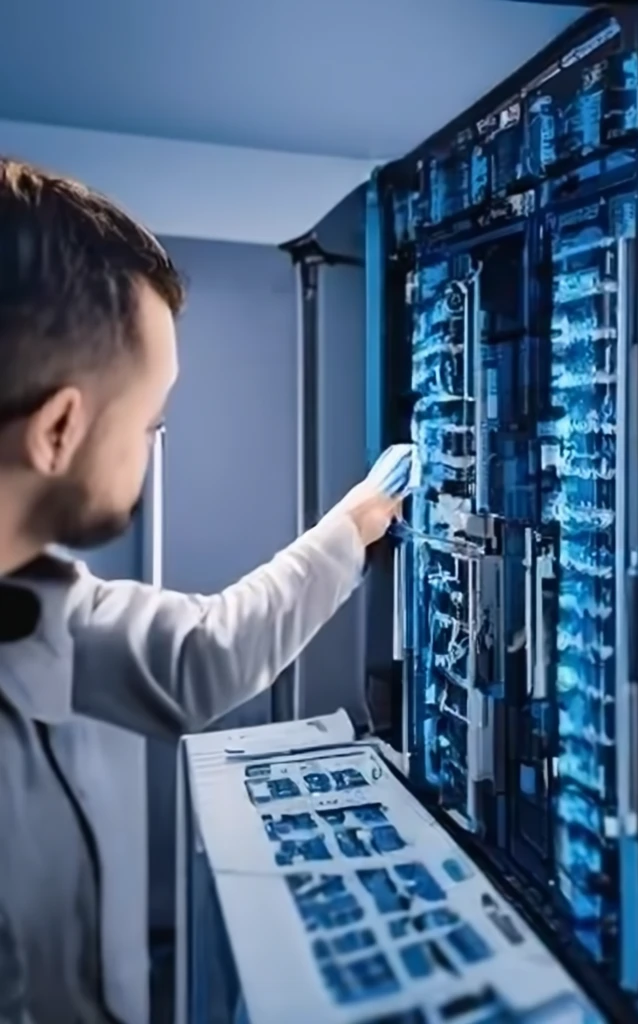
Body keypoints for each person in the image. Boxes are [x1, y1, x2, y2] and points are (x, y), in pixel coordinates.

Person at [0, 158, 401, 1023]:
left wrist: (352, 526)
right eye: (150, 422)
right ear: (59, 428)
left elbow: (199, 656)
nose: (153, 446)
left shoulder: (32, 603)